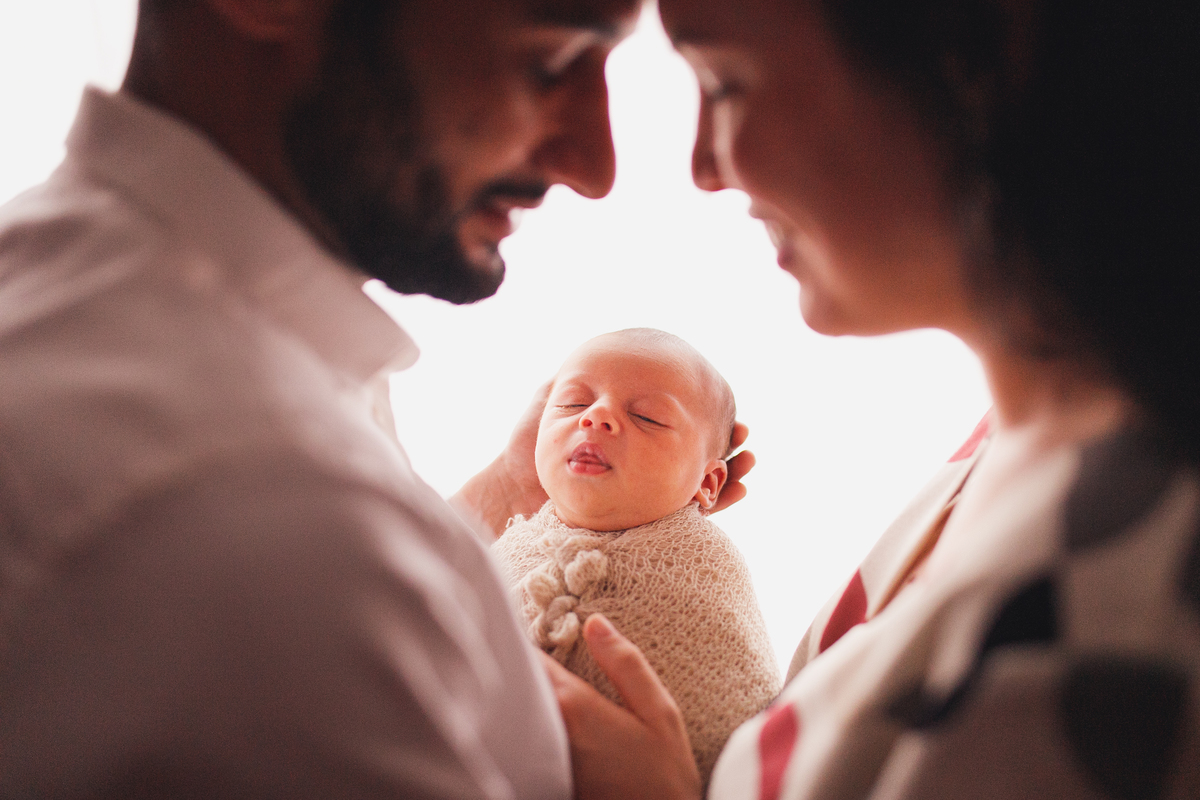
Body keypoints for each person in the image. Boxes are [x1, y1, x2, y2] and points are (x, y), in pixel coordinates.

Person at [0, 0, 770, 796]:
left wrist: (506, 491)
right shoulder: (252, 494)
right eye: (549, 58)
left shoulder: (77, 288)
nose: (594, 163)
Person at [534, 0, 1200, 798]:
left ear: (982, 52)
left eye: (728, 80)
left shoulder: (1118, 602)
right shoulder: (1008, 455)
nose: (706, 166)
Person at [492, 328, 780, 787]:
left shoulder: (704, 569)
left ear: (707, 482)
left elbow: (732, 688)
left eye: (648, 417)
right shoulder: (505, 547)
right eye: (571, 404)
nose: (596, 416)